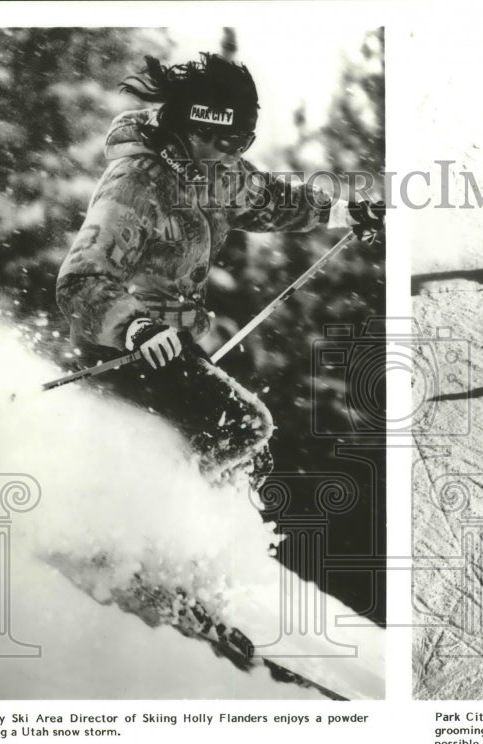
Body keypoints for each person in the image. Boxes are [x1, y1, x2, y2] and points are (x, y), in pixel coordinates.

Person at [56, 52, 383, 485]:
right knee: (241, 427)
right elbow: (82, 280)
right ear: (194, 129)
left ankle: (182, 530)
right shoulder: (137, 182)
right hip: (125, 349)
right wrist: (136, 327)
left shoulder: (214, 173)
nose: (233, 155)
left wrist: (343, 213)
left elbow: (270, 200)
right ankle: (159, 511)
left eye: (242, 143)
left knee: (234, 453)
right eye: (227, 142)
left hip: (173, 344)